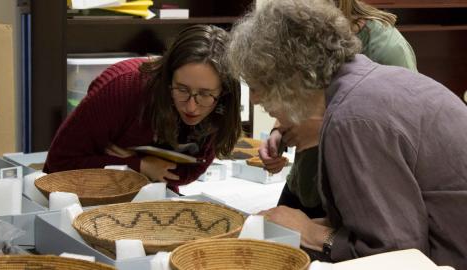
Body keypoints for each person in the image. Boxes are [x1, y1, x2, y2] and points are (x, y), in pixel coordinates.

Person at [226, 0, 467, 268]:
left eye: (259, 87)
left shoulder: (351, 118)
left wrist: (310, 231)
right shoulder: (366, 86)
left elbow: (397, 254)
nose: (258, 100)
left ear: (292, 76)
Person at [260, 0, 418, 219]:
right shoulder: (304, 33)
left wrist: (322, 129)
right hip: (306, 183)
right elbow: (301, 97)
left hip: (355, 195)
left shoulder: (386, 47)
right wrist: (279, 130)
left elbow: (403, 134)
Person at [44, 25, 242, 192]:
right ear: (168, 77)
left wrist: (135, 162)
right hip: (79, 194)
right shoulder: (123, 87)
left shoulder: (220, 107)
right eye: (182, 89)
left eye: (205, 94)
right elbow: (58, 164)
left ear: (224, 92)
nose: (192, 106)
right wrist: (139, 165)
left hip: (149, 195)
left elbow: (186, 174)